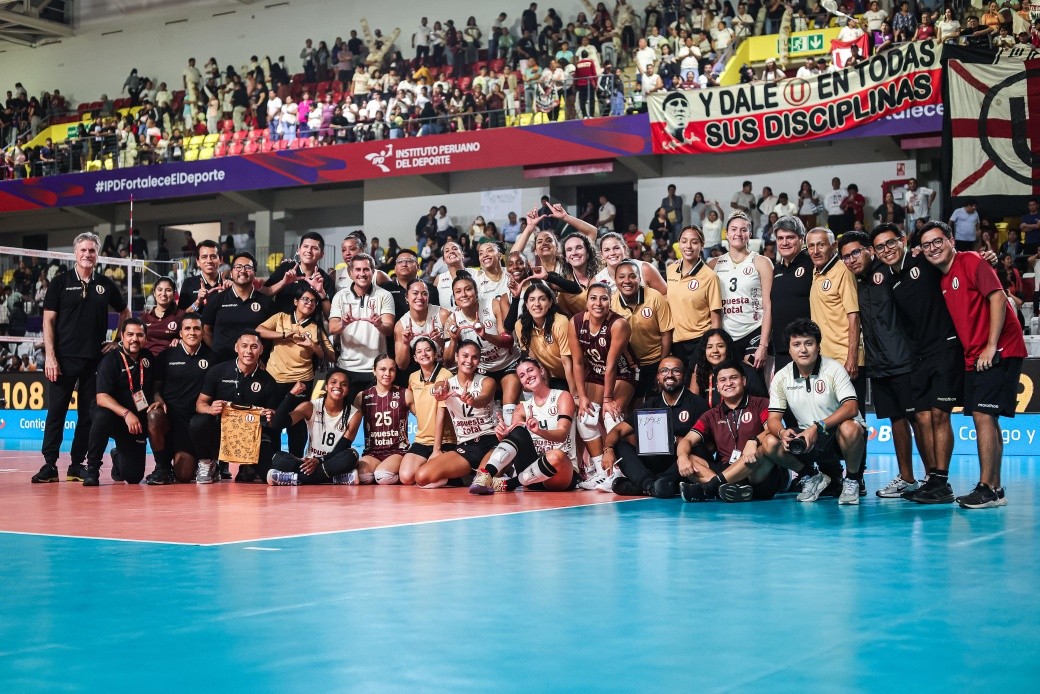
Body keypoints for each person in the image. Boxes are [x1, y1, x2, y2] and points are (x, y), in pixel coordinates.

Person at [919, 221, 1026, 508]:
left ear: (952, 241)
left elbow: (998, 298)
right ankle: (995, 489)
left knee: (983, 415)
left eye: (938, 241)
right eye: (926, 245)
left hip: (999, 348)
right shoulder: (943, 278)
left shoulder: (971, 261)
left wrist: (991, 345)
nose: (933, 248)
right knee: (987, 417)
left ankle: (986, 488)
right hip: (974, 355)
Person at [869, 222, 963, 504]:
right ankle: (932, 478)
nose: (887, 250)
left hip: (945, 348)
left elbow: (952, 260)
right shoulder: (889, 278)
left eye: (891, 242)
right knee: (921, 418)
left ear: (903, 241)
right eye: (880, 247)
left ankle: (942, 482)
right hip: (918, 356)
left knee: (939, 415)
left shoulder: (923, 261)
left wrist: (985, 257)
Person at [32, 233, 130, 484]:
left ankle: (77, 464)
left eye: (92, 251)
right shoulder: (60, 282)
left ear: (97, 255)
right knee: (56, 413)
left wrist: (117, 341)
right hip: (63, 360)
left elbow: (125, 312)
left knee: (87, 416)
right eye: (83, 250)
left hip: (94, 360)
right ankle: (49, 464)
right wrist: (50, 357)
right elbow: (48, 321)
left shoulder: (105, 284)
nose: (87, 254)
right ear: (75, 253)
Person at [838, 229, 921, 498]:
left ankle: (935, 477)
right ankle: (907, 478)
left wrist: (916, 254)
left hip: (904, 360)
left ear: (869, 251)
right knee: (896, 419)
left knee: (917, 419)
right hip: (878, 364)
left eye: (856, 252)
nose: (851, 259)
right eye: (846, 256)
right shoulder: (854, 281)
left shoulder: (890, 270)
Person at [760, 319, 867, 505]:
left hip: (837, 435)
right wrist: (782, 432)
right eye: (796, 344)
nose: (803, 350)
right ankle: (811, 476)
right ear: (789, 349)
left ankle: (852, 480)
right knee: (769, 442)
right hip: (807, 437)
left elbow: (851, 407)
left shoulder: (833, 368)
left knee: (850, 428)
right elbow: (773, 420)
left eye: (809, 343)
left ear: (818, 347)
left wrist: (818, 427)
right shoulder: (781, 377)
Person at [677, 361, 790, 502]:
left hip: (756, 472)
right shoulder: (711, 415)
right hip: (726, 470)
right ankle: (729, 490)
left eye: (733, 378)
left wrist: (754, 441)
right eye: (722, 380)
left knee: (763, 450)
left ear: (744, 381)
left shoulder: (761, 404)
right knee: (688, 458)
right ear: (718, 386)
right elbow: (687, 440)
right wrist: (682, 457)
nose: (728, 383)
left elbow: (772, 430)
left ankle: (710, 489)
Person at [469, 357, 579, 494]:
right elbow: (514, 445)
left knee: (556, 456)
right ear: (521, 382)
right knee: (517, 431)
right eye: (522, 375)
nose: (527, 376)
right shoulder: (522, 408)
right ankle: (486, 475)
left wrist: (539, 431)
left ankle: (509, 484)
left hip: (560, 473)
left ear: (541, 370)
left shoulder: (562, 396)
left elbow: (562, 435)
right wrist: (503, 437)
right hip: (530, 475)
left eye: (530, 370)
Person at [606, 355, 708, 498]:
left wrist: (673, 440)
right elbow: (618, 430)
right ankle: (653, 486)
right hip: (653, 461)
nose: (669, 375)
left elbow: (709, 444)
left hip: (679, 463)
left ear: (684, 376)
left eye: (676, 371)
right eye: (664, 371)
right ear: (658, 377)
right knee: (619, 445)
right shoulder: (650, 404)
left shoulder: (697, 404)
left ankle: (643, 485)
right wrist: (608, 449)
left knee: (699, 451)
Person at [569, 282, 637, 490]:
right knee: (586, 417)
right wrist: (581, 397)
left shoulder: (619, 324)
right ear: (586, 301)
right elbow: (577, 362)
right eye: (593, 298)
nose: (598, 303)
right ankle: (602, 472)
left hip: (624, 371)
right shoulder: (576, 322)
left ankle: (622, 470)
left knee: (611, 415)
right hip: (595, 371)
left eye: (604, 298)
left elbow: (611, 365)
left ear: (610, 301)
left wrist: (607, 399)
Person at [190, 330, 279, 484]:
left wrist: (271, 415)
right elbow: (200, 404)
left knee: (258, 476)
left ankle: (247, 465)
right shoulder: (218, 371)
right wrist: (210, 408)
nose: (248, 351)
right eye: (244, 346)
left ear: (261, 350)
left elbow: (272, 418)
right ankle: (207, 463)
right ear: (236, 347)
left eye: (254, 347)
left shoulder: (268, 381)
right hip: (220, 431)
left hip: (249, 434)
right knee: (198, 423)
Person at [255, 287, 336, 456]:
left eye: (313, 301)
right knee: (272, 421)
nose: (309, 303)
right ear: (296, 302)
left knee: (297, 424)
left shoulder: (315, 328)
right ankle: (274, 459)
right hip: (274, 379)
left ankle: (296, 460)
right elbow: (259, 331)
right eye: (305, 299)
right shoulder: (281, 318)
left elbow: (331, 355)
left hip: (301, 381)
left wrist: (312, 345)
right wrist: (284, 334)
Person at [82, 318, 158, 486]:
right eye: (130, 334)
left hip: (135, 420)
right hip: (114, 415)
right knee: (102, 416)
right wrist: (126, 413)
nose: (135, 339)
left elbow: (153, 389)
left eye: (139, 335)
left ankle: (117, 457)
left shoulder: (148, 358)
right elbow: (101, 397)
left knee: (133, 477)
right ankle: (92, 469)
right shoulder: (110, 360)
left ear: (145, 338)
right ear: (122, 336)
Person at [413, 340, 499, 488]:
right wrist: (439, 392)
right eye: (465, 356)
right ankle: (466, 478)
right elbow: (438, 387)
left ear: (479, 360)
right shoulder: (447, 383)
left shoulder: (487, 381)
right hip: (466, 445)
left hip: (490, 441)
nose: (469, 361)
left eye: (474, 357)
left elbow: (484, 399)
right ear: (456, 357)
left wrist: (472, 400)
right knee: (422, 477)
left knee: (481, 482)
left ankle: (490, 472)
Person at [144, 313, 214, 485]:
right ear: (180, 333)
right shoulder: (166, 356)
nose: (192, 332)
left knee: (183, 476)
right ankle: (161, 467)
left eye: (196, 328)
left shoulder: (213, 358)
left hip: (192, 424)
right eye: (187, 328)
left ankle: (209, 463)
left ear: (203, 332)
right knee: (153, 415)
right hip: (169, 419)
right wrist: (158, 398)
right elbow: (156, 389)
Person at [443, 271, 520, 419]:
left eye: (468, 289)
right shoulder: (452, 320)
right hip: (483, 371)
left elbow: (508, 341)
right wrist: (453, 340)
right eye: (458, 292)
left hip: (508, 363)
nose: (463, 294)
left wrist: (486, 335)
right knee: (487, 416)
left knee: (509, 413)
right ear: (454, 297)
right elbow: (448, 362)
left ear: (476, 292)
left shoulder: (492, 304)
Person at [267, 370, 362, 486]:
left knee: (352, 455)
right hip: (310, 462)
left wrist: (319, 460)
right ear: (326, 386)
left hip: (333, 461)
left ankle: (294, 478)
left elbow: (343, 446)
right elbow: (278, 423)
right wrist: (291, 394)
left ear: (348, 390)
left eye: (344, 384)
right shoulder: (311, 406)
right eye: (334, 382)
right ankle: (333, 479)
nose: (338, 386)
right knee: (278, 458)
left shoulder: (354, 414)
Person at [329, 253, 396, 405]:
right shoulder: (340, 296)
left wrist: (379, 324)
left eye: (366, 269)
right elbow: (332, 328)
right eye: (358, 270)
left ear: (373, 271)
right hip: (346, 367)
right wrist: (343, 324)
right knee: (348, 416)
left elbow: (389, 329)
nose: (362, 274)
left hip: (375, 368)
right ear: (350, 273)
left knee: (374, 417)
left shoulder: (384, 295)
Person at [708, 212, 772, 368]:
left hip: (754, 331)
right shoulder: (714, 264)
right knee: (729, 378)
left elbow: (768, 306)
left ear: (750, 234)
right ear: (726, 233)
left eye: (744, 230)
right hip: (726, 335)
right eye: (734, 229)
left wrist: (763, 345)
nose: (738, 233)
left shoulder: (761, 262)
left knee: (753, 377)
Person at [338, 355, 411, 484]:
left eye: (392, 370)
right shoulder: (362, 396)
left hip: (397, 451)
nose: (387, 373)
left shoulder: (404, 394)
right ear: (374, 371)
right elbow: (351, 425)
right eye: (383, 369)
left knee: (382, 476)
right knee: (362, 477)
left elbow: (423, 417)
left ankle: (404, 471)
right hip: (372, 452)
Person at [611, 260, 673, 402]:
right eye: (622, 277)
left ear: (640, 278)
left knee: (656, 403)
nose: (627, 281)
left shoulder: (655, 297)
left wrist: (661, 367)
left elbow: (666, 334)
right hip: (628, 365)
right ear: (615, 280)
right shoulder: (611, 303)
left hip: (655, 360)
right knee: (632, 405)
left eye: (632, 276)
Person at [398, 337, 455, 485]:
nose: (423, 354)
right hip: (421, 440)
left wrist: (437, 449)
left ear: (435, 354)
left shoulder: (446, 376)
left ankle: (447, 472)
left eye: (428, 350)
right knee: (405, 477)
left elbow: (441, 414)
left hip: (444, 441)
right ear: (415, 357)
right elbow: (411, 400)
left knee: (424, 478)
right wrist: (419, 414)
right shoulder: (413, 378)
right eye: (419, 352)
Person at [666, 225, 722, 374]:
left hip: (700, 340)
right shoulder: (671, 270)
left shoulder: (710, 277)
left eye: (694, 242)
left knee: (696, 384)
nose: (688, 246)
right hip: (676, 341)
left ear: (702, 245)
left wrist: (712, 346)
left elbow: (716, 319)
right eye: (684, 241)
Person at [202, 252, 273, 363]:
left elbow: (271, 335)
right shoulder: (217, 299)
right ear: (231, 273)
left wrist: (261, 358)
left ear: (254, 273)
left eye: (248, 267)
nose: (242, 271)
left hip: (254, 365)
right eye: (238, 267)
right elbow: (206, 331)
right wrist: (218, 351)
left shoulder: (266, 302)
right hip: (221, 364)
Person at [769, 217, 814, 373]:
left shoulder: (812, 264)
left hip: (807, 347)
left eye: (790, 237)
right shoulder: (775, 270)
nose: (785, 242)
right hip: (781, 348)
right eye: (780, 238)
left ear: (801, 239)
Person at [514, 281, 575, 392]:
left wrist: (575, 394)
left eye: (542, 299)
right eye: (532, 300)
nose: (537, 304)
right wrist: (544, 388)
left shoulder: (560, 322)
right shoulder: (520, 325)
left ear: (550, 303)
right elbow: (535, 359)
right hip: (556, 377)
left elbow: (567, 362)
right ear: (526, 304)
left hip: (577, 374)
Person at [689, 328, 768, 406]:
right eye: (709, 347)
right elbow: (693, 404)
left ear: (728, 349)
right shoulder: (701, 372)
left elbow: (761, 403)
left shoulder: (745, 370)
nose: (715, 351)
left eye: (720, 346)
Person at [262, 232, 333, 316]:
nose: (309, 251)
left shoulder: (325, 279)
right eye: (305, 246)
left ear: (322, 254)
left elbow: (329, 316)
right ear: (298, 250)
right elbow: (263, 294)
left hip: (311, 324)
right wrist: (283, 283)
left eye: (314, 248)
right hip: (281, 322)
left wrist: (321, 293)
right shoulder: (286, 268)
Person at [393, 278, 450, 382]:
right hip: (422, 372)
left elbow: (456, 353)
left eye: (424, 294)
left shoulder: (443, 315)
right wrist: (405, 343)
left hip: (447, 369)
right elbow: (401, 365)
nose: (420, 297)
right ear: (407, 297)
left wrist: (440, 340)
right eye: (415, 293)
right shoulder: (401, 325)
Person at [595, 232, 669, 296]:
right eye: (607, 250)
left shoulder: (644, 269)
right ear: (602, 255)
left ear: (624, 249)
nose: (612, 253)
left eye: (616, 248)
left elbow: (666, 295)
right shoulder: (597, 280)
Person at [140, 278, 184, 357]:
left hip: (171, 360)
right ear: (154, 292)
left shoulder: (181, 316)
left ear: (174, 294)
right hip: (147, 360)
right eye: (160, 290)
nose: (163, 294)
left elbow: (190, 337)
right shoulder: (144, 317)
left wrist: (181, 341)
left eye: (168, 290)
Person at [178, 240, 223, 312]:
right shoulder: (189, 283)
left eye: (213, 256)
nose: (209, 261)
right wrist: (198, 302)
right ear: (198, 262)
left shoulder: (230, 285)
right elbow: (181, 315)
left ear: (221, 260)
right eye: (204, 257)